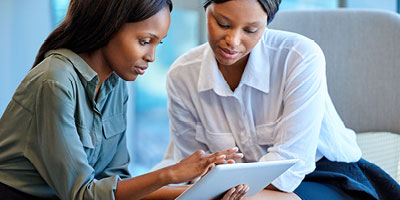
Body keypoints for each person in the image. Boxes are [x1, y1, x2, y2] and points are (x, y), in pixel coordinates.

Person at [0, 0, 249, 199]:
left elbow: (115, 183)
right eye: (144, 41)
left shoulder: (115, 82)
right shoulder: (54, 82)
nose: (151, 57)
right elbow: (83, 194)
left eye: (157, 44)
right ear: (107, 26)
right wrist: (172, 173)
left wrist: (203, 194)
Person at [156, 0, 400, 199]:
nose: (233, 40)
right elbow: (196, 167)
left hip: (321, 175)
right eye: (222, 23)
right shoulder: (183, 75)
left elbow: (290, 170)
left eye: (251, 30)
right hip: (231, 189)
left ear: (267, 24)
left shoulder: (299, 56)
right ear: (206, 9)